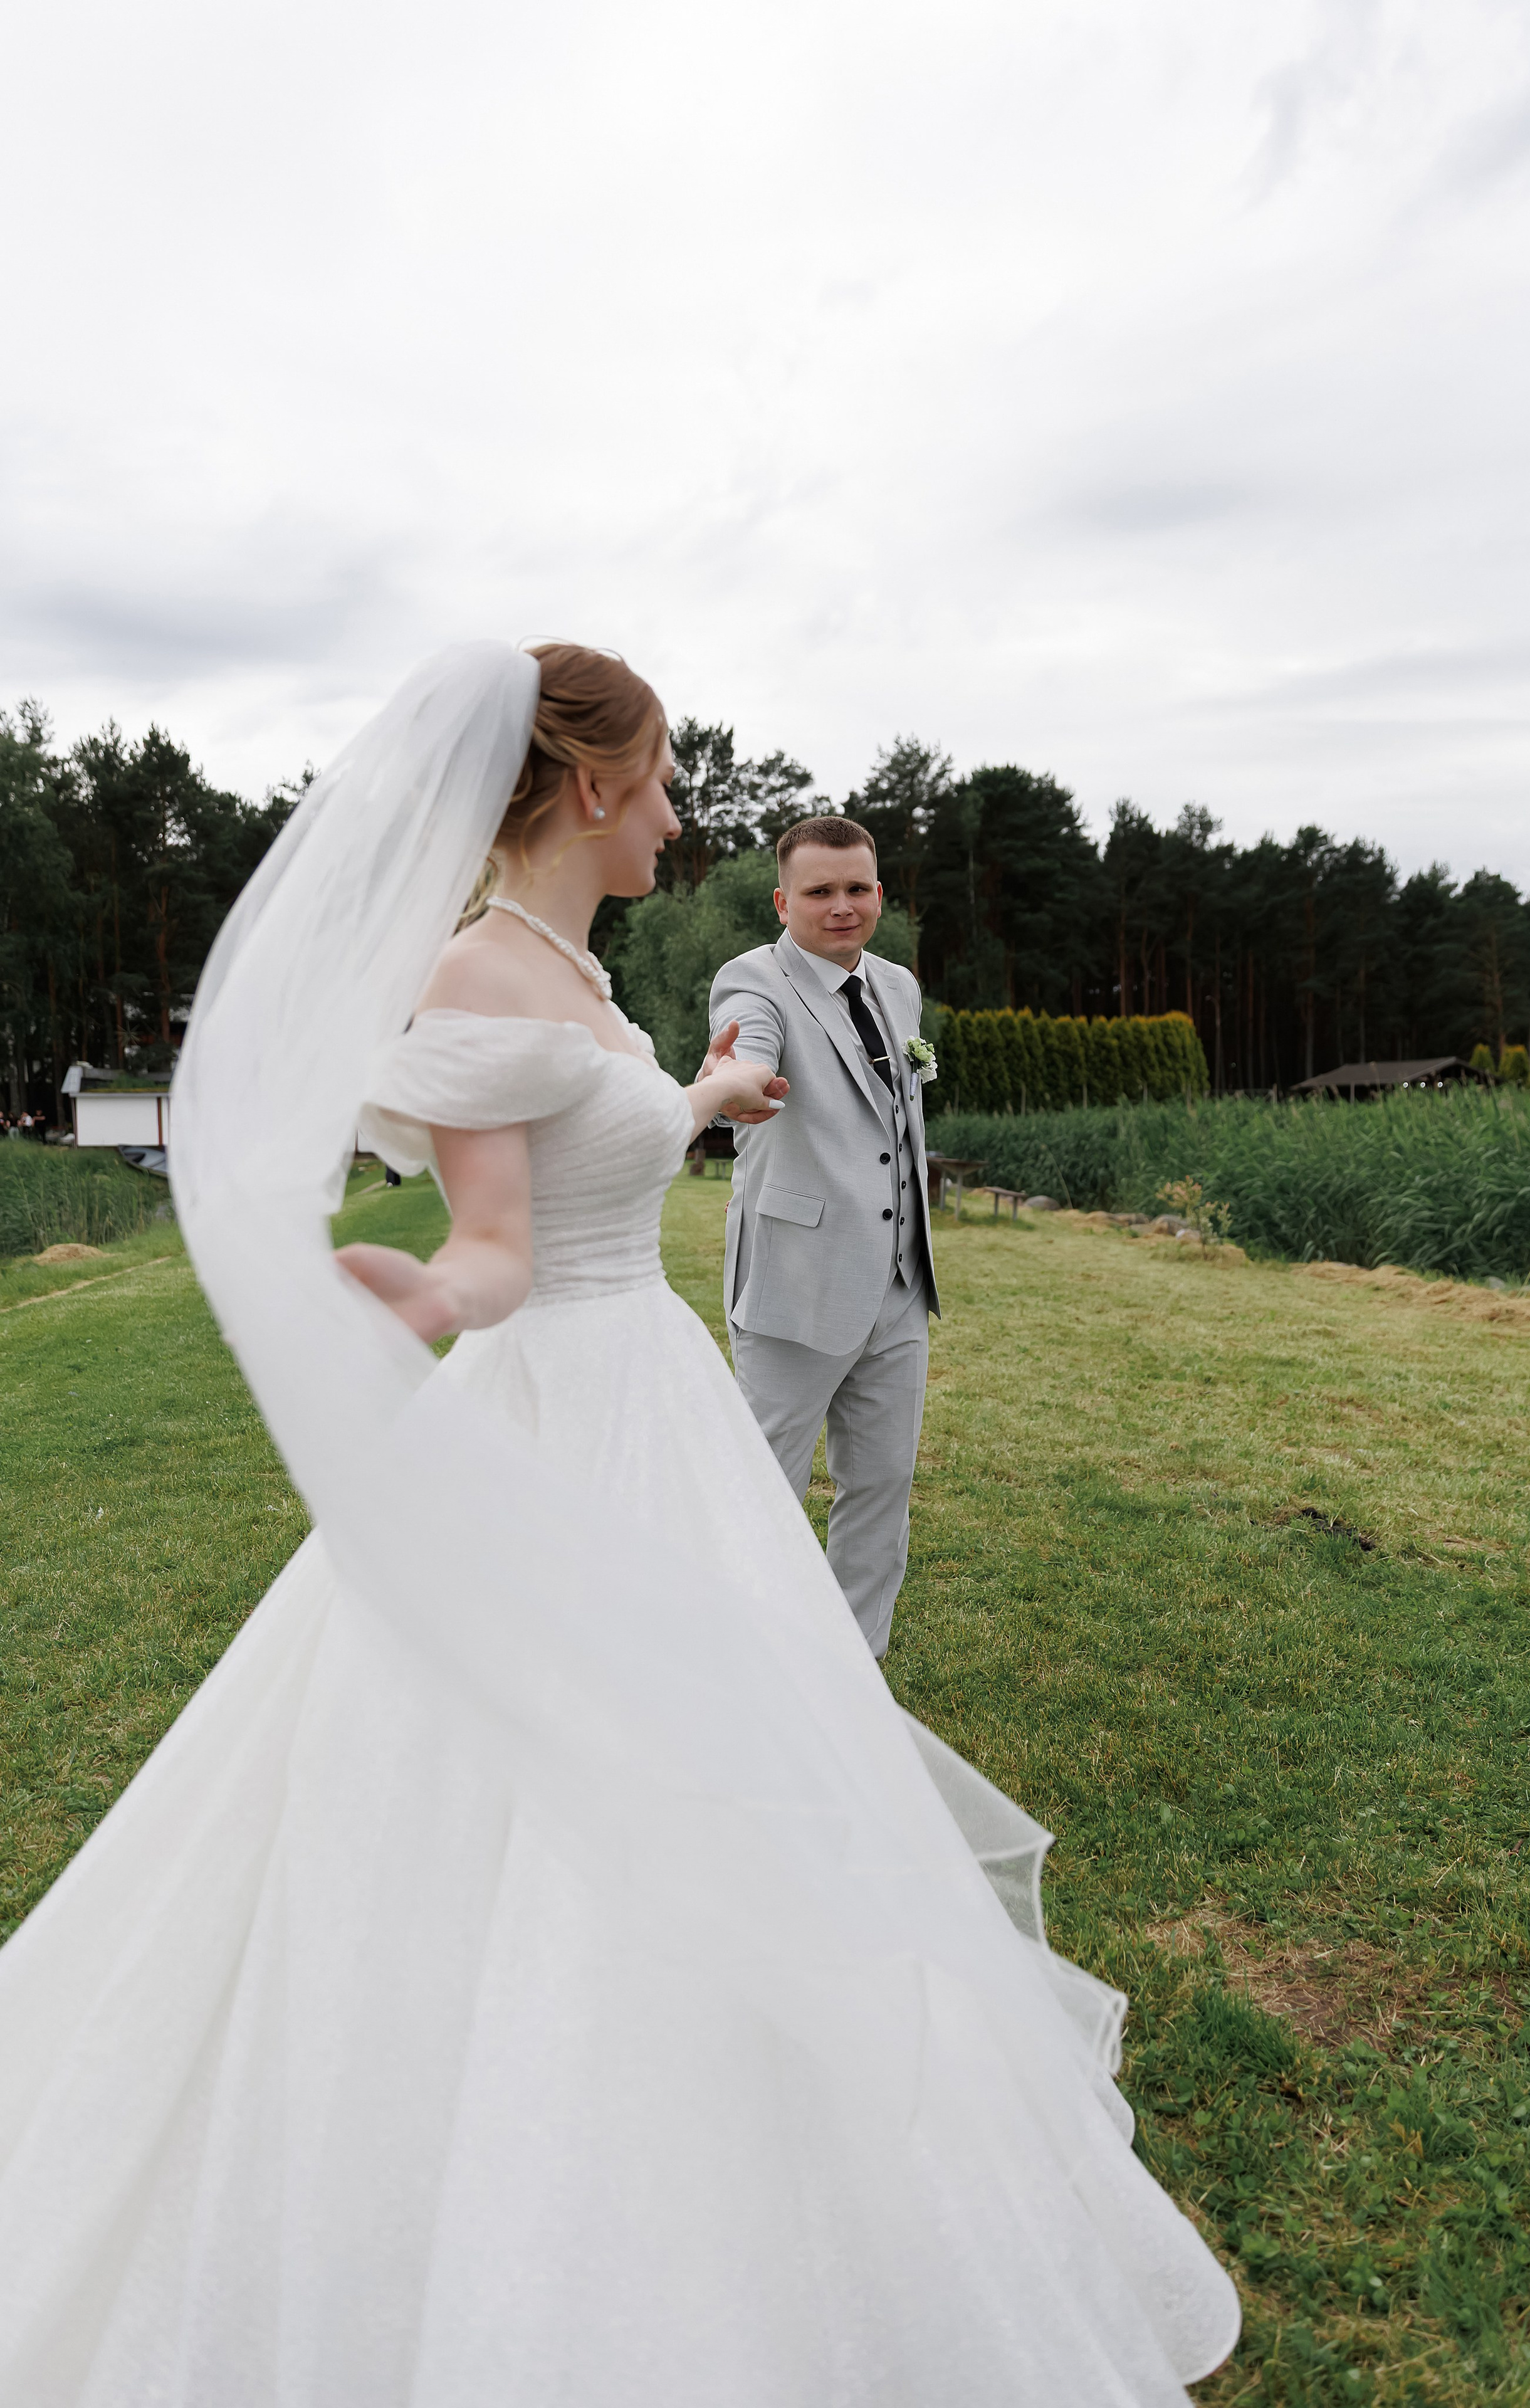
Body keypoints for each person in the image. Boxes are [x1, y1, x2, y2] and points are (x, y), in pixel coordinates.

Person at [0, 641, 1238, 2403]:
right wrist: (429, 1294)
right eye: (660, 781)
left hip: (652, 1403)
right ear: (589, 787)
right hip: (568, 1414)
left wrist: (702, 1100)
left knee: (729, 1745)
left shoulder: (567, 969)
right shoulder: (472, 981)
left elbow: (606, 1142)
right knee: (564, 1784)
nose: (677, 810)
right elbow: (500, 1244)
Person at [703, 818, 934, 1659]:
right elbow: (746, 1054)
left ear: (879, 892)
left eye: (858, 888)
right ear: (783, 900)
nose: (843, 907)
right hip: (795, 1285)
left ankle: (851, 1670)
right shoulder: (753, 981)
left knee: (882, 1486)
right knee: (766, 1492)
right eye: (820, 891)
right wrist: (736, 1084)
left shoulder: (900, 988)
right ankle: (744, 1667)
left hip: (900, 1287)